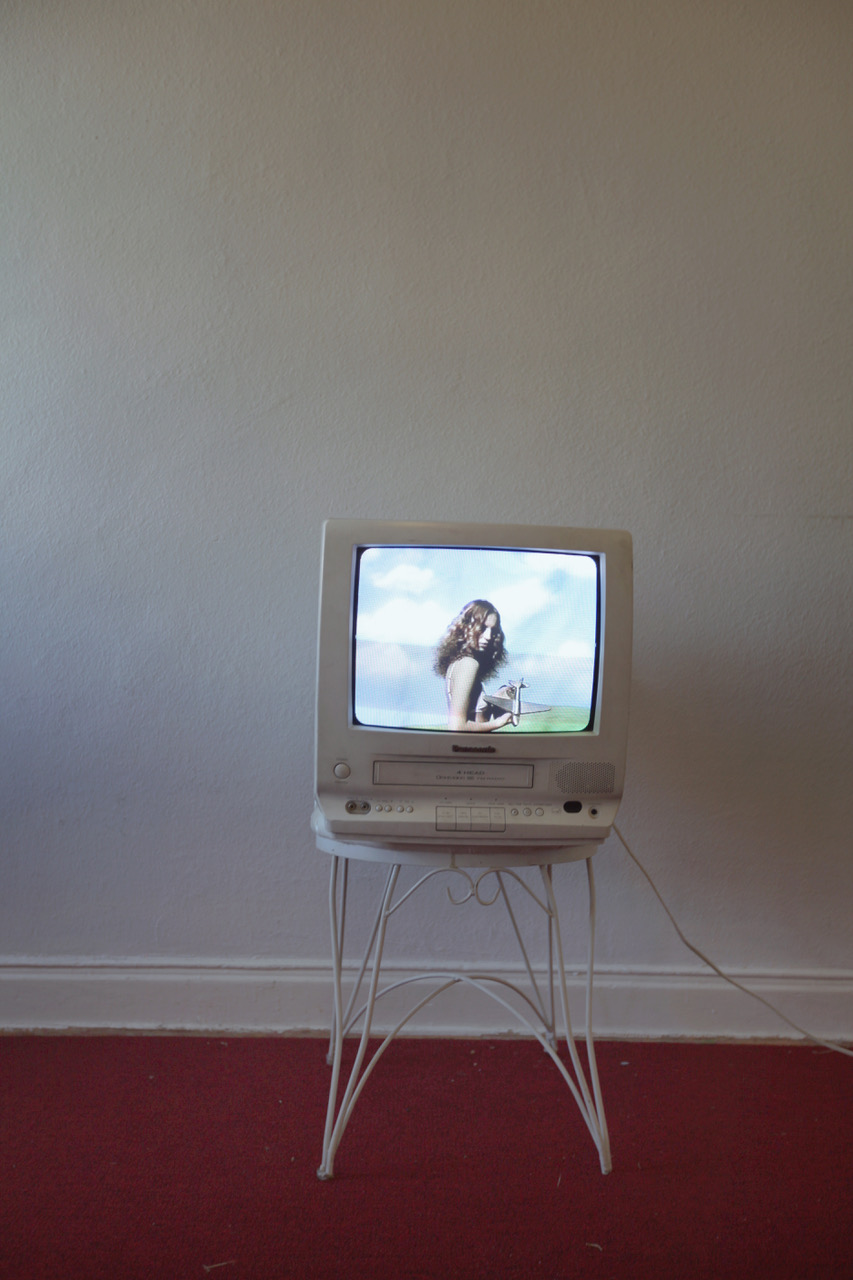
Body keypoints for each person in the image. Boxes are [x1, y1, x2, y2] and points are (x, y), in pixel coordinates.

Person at [433, 600, 513, 732]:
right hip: (471, 748)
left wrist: (493, 700)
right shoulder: (469, 664)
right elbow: (457, 727)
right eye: (482, 628)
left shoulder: (459, 662)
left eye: (492, 631)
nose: (488, 637)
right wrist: (499, 722)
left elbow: (472, 715)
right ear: (466, 628)